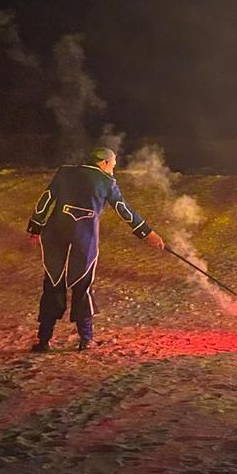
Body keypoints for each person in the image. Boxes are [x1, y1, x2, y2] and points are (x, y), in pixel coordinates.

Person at [27, 147, 165, 351]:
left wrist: (35, 227)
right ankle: (86, 339)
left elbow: (46, 199)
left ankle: (44, 340)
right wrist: (147, 233)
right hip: (84, 240)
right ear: (104, 163)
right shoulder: (107, 183)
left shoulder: (65, 172)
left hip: (54, 237)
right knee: (82, 287)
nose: (113, 170)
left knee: (53, 284)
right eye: (113, 166)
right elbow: (123, 209)